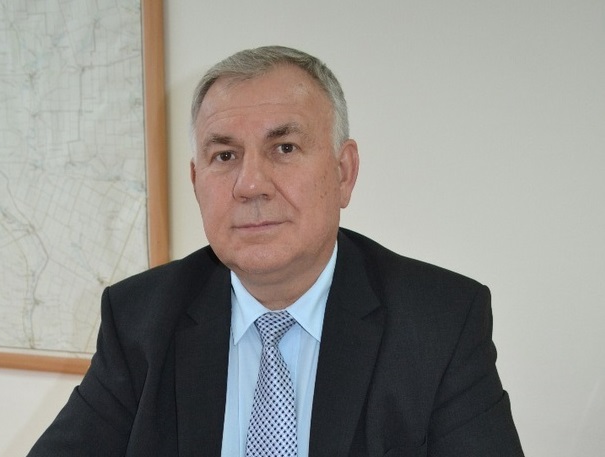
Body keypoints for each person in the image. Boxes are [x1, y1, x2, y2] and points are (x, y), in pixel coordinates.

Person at [27, 45, 524, 457]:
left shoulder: (439, 322)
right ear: (197, 182)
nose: (250, 185)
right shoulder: (139, 318)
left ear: (344, 172)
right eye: (225, 155)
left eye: (284, 148)